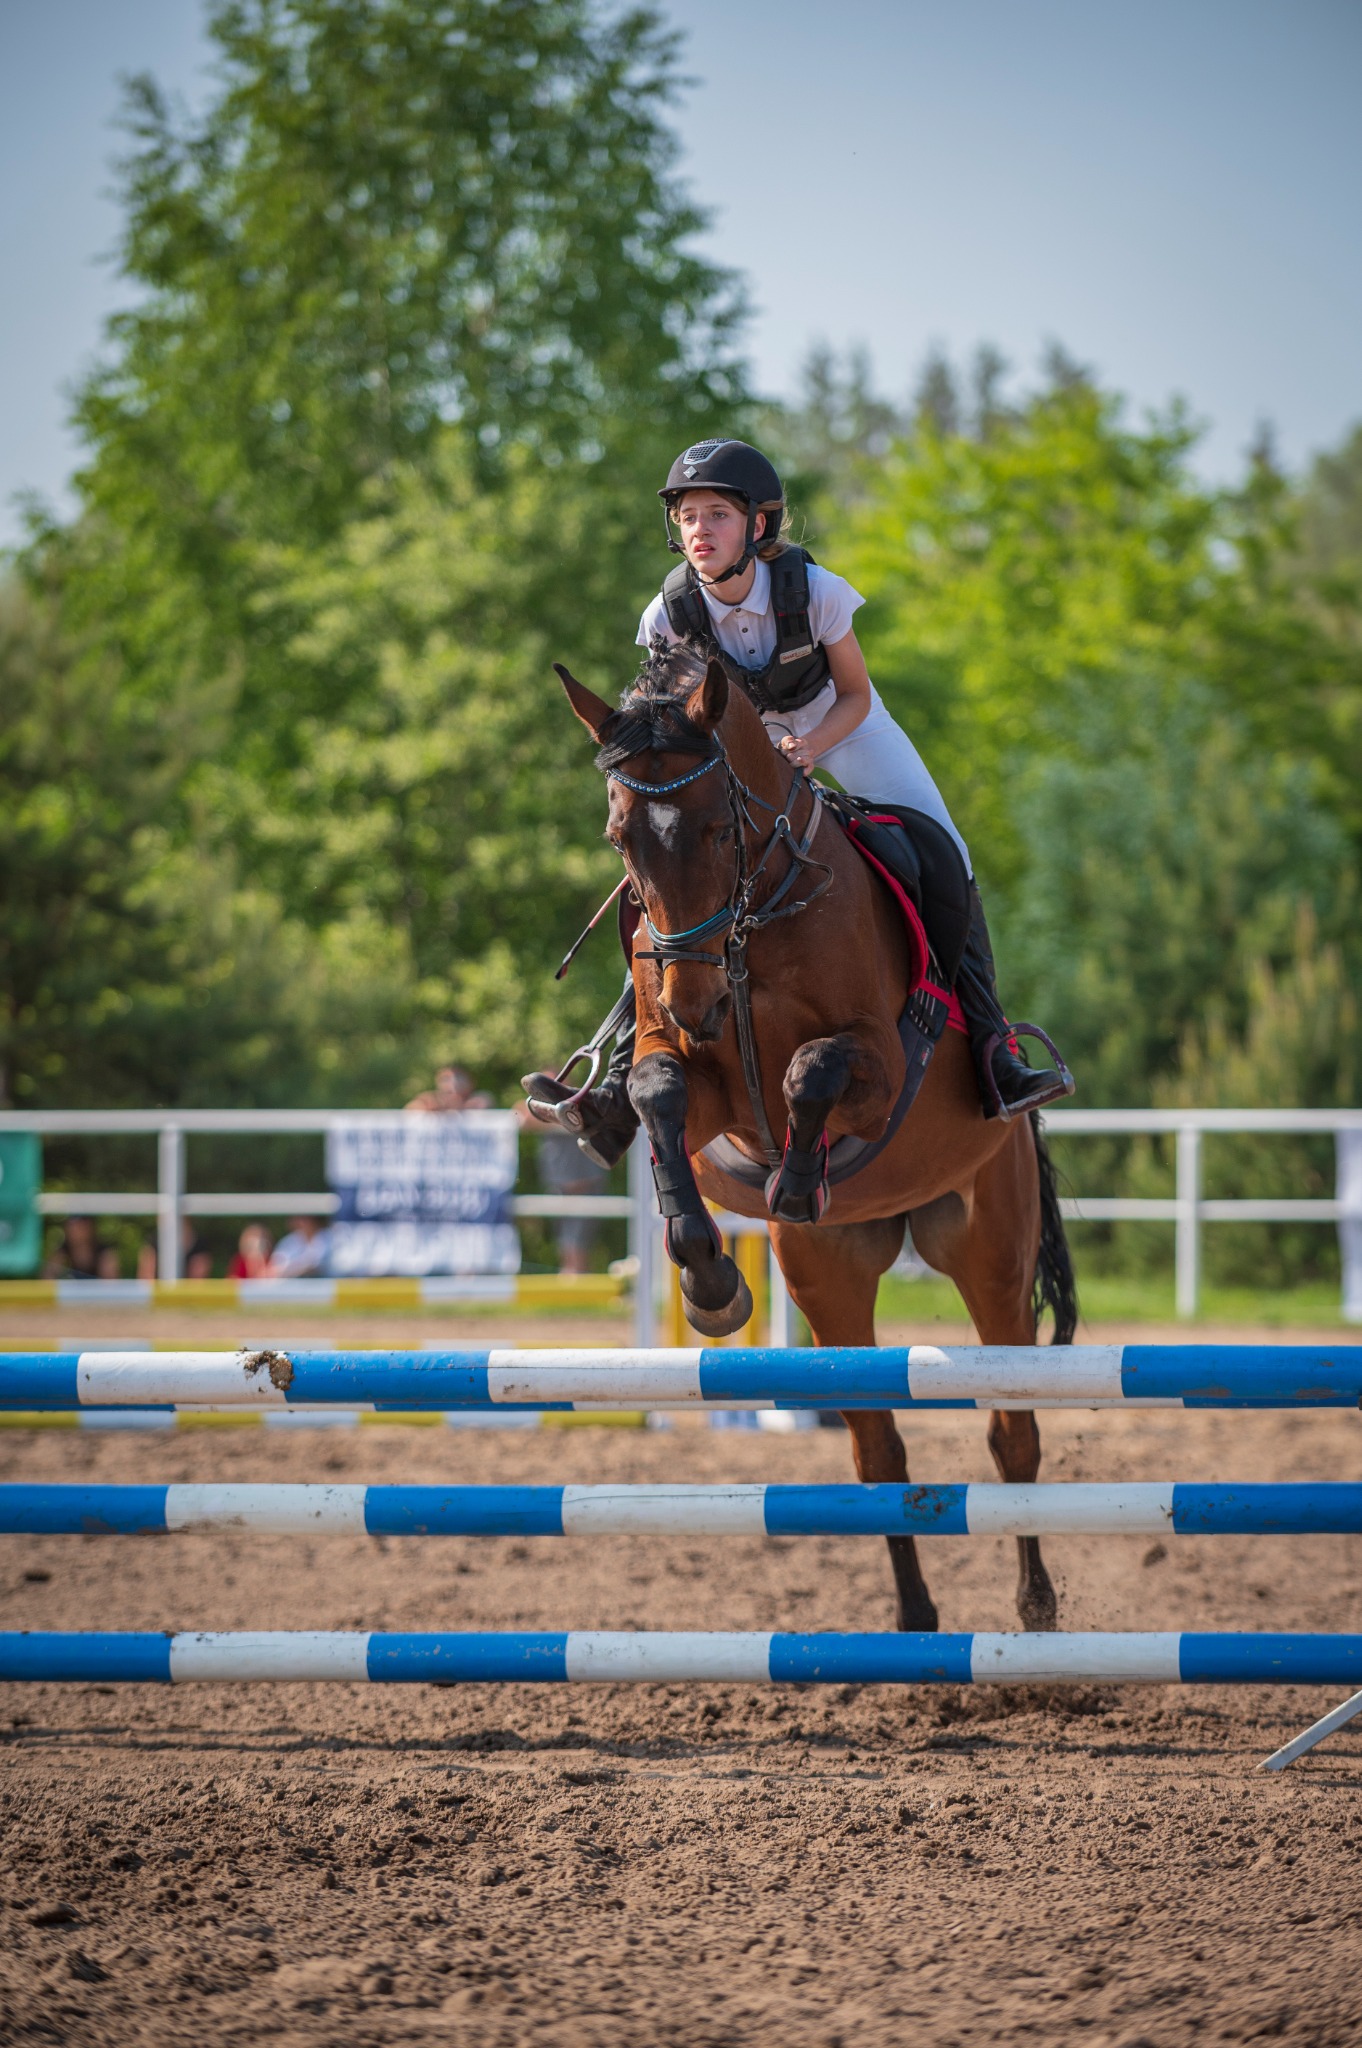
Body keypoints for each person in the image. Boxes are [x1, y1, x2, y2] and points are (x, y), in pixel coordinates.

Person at [524, 436, 1073, 1166]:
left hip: (840, 726)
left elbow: (855, 694)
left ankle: (995, 1046)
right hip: (734, 753)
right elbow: (663, 725)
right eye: (687, 516)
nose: (699, 531)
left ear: (757, 526)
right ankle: (618, 1068)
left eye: (717, 514)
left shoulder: (813, 592)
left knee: (947, 849)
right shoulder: (668, 614)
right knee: (664, 872)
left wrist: (811, 748)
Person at [404, 1065, 492, 1113]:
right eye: (446, 1079)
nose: (453, 1083)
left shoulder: (476, 1098)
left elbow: (485, 1101)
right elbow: (409, 1110)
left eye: (458, 1077)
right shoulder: (429, 1099)